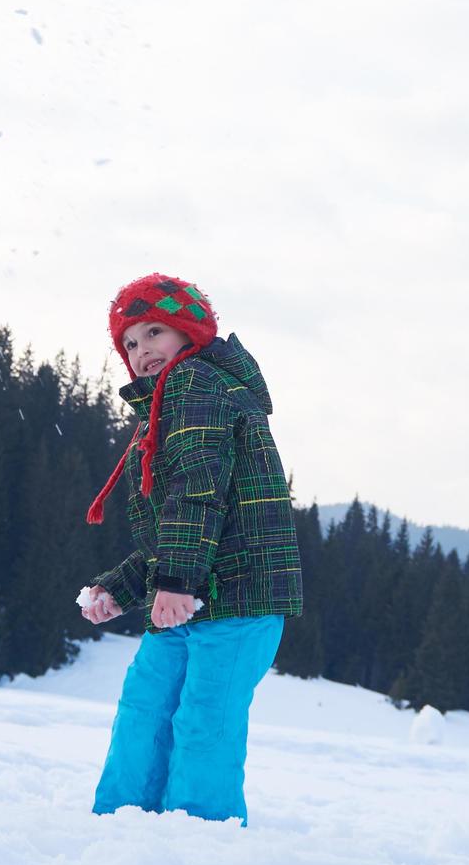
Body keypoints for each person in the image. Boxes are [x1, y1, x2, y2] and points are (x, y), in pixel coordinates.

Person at [77, 274, 304, 824]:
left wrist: (174, 582)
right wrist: (123, 586)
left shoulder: (196, 385)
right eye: (129, 342)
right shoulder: (168, 402)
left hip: (239, 597)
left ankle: (203, 838)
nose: (141, 350)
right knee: (145, 710)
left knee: (204, 720)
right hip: (191, 592)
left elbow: (197, 490)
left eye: (155, 331)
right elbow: (174, 524)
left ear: (189, 332)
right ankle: (120, 823)